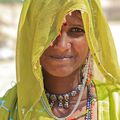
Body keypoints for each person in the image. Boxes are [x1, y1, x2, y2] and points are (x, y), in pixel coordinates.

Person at [0, 0, 120, 120]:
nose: (62, 46)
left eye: (76, 30)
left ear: (92, 39)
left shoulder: (115, 103)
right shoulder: (8, 109)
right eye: (49, 30)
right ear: (32, 36)